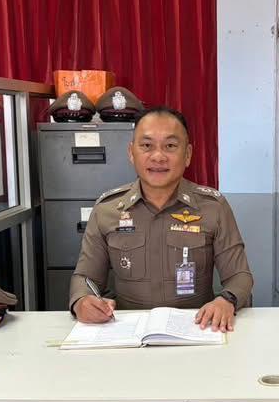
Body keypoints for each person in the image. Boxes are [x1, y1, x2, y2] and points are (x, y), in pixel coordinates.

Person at [69, 106, 252, 332]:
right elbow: (85, 277)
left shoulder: (214, 207)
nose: (158, 156)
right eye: (147, 146)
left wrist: (226, 300)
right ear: (131, 152)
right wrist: (82, 301)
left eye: (170, 146)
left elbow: (239, 276)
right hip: (126, 331)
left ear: (187, 155)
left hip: (196, 329)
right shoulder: (107, 209)